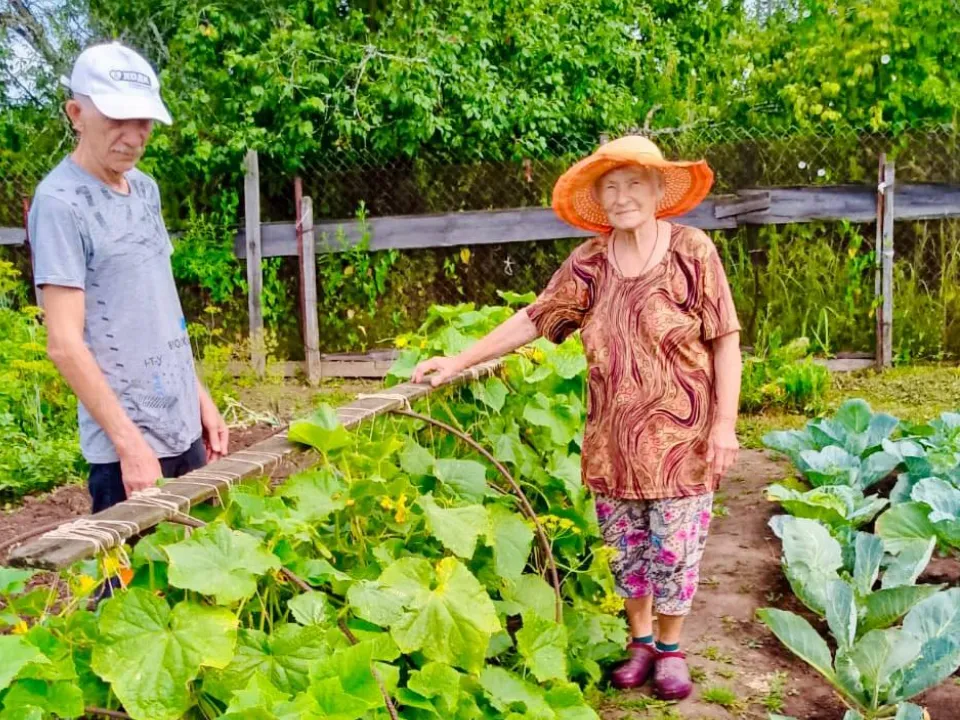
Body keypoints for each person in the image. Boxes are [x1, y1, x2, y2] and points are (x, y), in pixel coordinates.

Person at [413, 136, 742, 700]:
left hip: (682, 437)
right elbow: (535, 319)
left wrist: (724, 425)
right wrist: (460, 359)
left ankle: (670, 649)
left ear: (659, 189)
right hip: (612, 440)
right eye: (609, 188)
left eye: (633, 183)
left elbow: (725, 342)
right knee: (627, 549)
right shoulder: (590, 261)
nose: (621, 197)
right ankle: (639, 643)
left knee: (673, 550)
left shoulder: (693, 250)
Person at [28, 42, 228, 518]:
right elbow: (63, 343)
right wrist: (130, 446)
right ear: (76, 113)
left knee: (194, 576)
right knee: (129, 587)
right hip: (127, 446)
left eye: (144, 121)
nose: (134, 135)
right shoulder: (60, 203)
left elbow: (161, 307)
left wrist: (199, 398)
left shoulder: (145, 189)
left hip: (180, 424)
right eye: (118, 118)